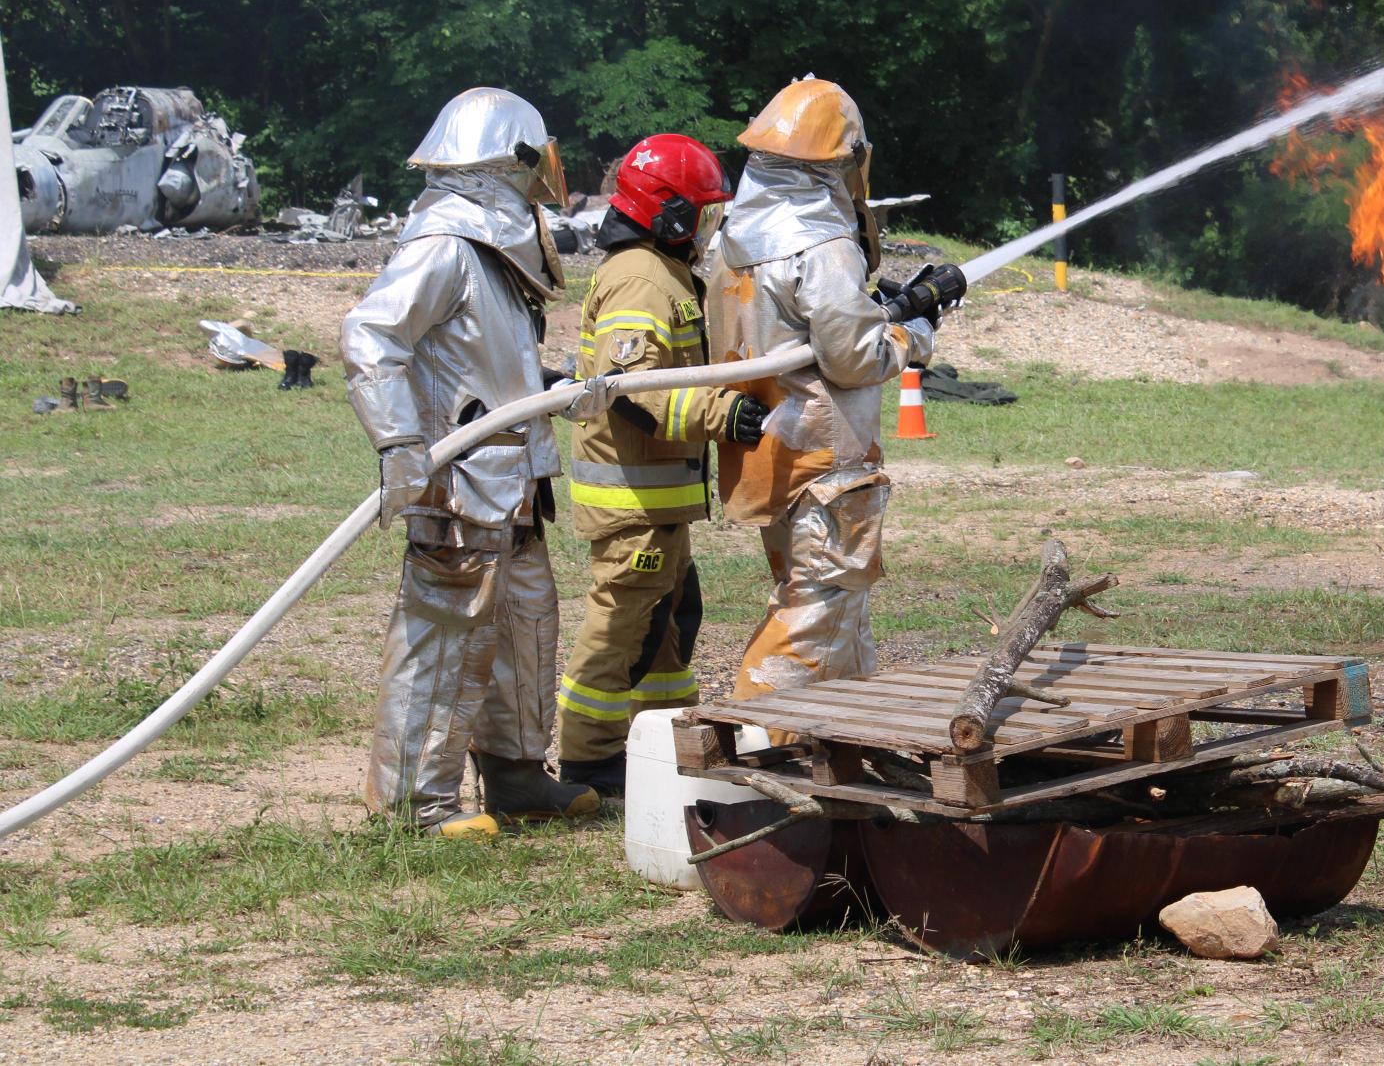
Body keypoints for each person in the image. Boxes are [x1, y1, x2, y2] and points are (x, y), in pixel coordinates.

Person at [340, 87, 605, 837]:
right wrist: (398, 445)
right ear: (511, 161)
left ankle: (517, 775)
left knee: (524, 626)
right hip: (458, 488)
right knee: (444, 635)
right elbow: (369, 336)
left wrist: (552, 388)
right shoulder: (447, 243)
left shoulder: (491, 247)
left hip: (512, 486)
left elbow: (483, 364)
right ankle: (412, 806)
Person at [704, 76, 963, 697]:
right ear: (843, 159)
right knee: (813, 613)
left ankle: (846, 749)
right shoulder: (821, 245)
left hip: (774, 454)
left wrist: (887, 307)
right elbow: (852, 359)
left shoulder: (731, 239)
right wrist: (918, 329)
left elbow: (804, 332)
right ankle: (756, 750)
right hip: (827, 463)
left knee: (841, 613)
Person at [556, 134, 769, 799]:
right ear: (670, 216)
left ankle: (659, 737)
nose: (708, 232)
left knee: (670, 624)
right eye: (703, 216)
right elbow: (633, 392)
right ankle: (589, 758)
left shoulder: (662, 271)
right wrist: (722, 415)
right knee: (623, 623)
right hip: (632, 502)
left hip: (657, 502)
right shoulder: (642, 279)